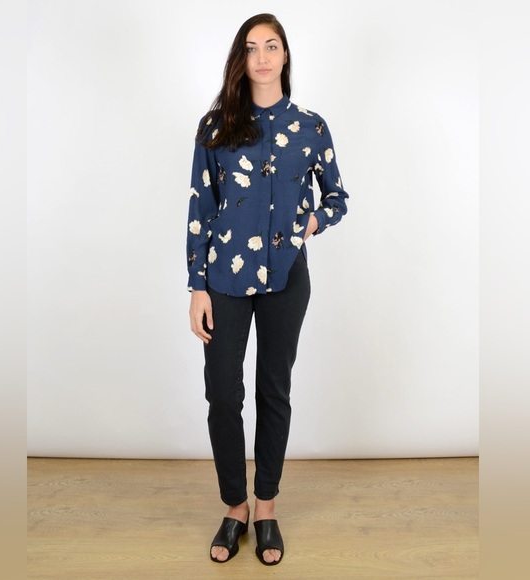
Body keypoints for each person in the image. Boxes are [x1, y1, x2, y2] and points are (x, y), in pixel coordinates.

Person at [186, 13, 349, 565]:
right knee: (223, 394)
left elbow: (337, 198)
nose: (261, 57)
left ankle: (267, 508)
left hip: (286, 278)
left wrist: (310, 223)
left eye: (271, 46)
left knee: (273, 391)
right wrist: (196, 287)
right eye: (251, 47)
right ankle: (235, 507)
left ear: (284, 56)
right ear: (241, 58)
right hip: (224, 280)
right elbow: (200, 208)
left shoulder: (311, 127)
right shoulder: (215, 127)